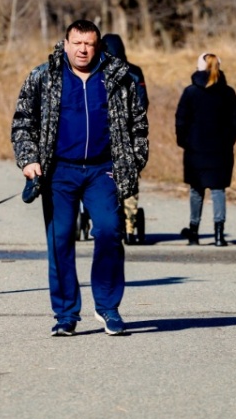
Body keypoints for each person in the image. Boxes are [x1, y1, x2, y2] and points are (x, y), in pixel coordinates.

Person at [12, 19, 149, 337]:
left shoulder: (119, 78)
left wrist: (130, 164)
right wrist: (29, 159)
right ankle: (65, 314)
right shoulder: (44, 76)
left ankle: (108, 307)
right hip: (59, 171)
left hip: (103, 170)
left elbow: (138, 125)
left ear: (98, 44)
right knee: (59, 240)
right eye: (77, 43)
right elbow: (23, 120)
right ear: (66, 42)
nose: (83, 49)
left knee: (109, 231)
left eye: (89, 43)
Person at [175, 52, 236, 246]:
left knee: (196, 190)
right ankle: (219, 235)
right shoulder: (228, 92)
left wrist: (184, 141)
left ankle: (194, 232)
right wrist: (228, 140)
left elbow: (181, 119)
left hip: (195, 148)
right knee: (218, 189)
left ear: (198, 67)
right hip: (220, 148)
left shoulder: (190, 92)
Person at [101, 33, 147, 244]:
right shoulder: (135, 72)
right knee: (129, 179)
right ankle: (130, 224)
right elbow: (143, 104)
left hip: (107, 135)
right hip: (130, 135)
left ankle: (110, 219)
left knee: (106, 177)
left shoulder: (100, 72)